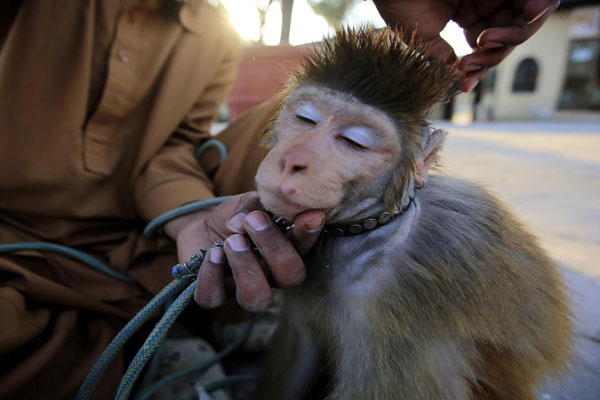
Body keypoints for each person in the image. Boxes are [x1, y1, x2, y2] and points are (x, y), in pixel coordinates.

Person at [0, 0, 559, 398]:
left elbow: (175, 145)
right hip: (16, 232)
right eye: (308, 119)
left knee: (285, 117)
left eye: (357, 140)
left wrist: (191, 215)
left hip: (146, 223)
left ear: (422, 165)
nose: (298, 157)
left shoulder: (216, 32)